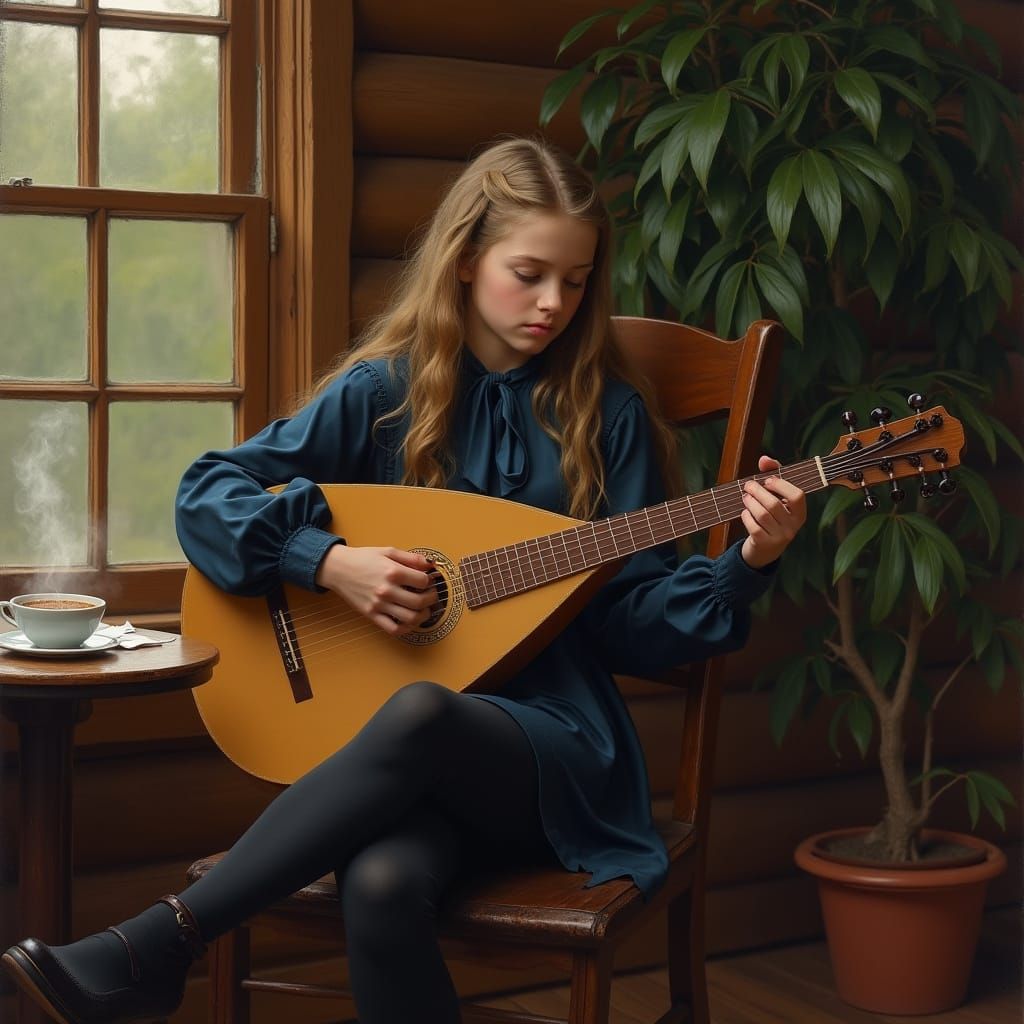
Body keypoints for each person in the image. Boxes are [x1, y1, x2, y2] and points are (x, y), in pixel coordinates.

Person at [2, 136, 806, 1024]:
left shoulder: (605, 415)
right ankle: (150, 957)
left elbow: (631, 622)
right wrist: (328, 563)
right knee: (381, 885)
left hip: (551, 754)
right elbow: (206, 494)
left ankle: (158, 945)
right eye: (529, 272)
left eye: (576, 282)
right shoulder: (384, 391)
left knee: (421, 713)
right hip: (407, 762)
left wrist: (746, 563)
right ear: (465, 261)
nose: (554, 303)